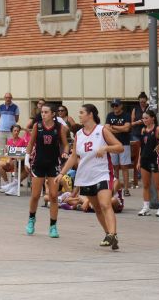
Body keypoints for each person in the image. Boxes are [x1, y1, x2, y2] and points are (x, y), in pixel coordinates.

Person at [58, 104, 124, 250]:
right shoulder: (79, 134)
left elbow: (120, 147)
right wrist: (62, 173)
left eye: (82, 113)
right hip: (86, 176)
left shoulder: (102, 130)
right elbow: (74, 156)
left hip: (102, 173)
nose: (79, 115)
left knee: (105, 204)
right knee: (97, 208)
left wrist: (106, 148)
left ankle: (113, 234)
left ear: (90, 115)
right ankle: (109, 235)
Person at [25, 104, 69, 238]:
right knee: (35, 195)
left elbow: (65, 144)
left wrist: (66, 153)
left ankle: (53, 226)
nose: (43, 114)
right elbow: (31, 143)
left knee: (54, 196)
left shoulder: (59, 127)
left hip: (53, 164)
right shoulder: (37, 126)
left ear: (53, 114)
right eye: (42, 112)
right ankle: (31, 219)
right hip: (38, 163)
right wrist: (27, 158)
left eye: (46, 112)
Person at [136, 109, 159, 217]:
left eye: (147, 118)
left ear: (153, 118)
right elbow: (141, 147)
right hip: (144, 159)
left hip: (155, 159)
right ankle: (146, 207)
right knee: (146, 185)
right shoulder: (143, 130)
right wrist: (138, 161)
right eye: (143, 118)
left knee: (158, 185)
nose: (144, 120)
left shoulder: (158, 129)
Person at [105, 99, 132, 197]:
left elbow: (127, 128)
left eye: (116, 105)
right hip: (112, 144)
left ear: (121, 106)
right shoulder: (109, 115)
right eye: (113, 105)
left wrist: (114, 128)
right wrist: (120, 128)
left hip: (124, 143)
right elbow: (107, 129)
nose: (114, 107)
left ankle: (126, 188)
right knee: (114, 166)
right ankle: (116, 187)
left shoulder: (126, 115)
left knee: (124, 166)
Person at [0, 124, 29, 196]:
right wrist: (7, 159)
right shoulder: (9, 141)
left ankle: (11, 185)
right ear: (12, 132)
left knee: (15, 162)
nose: (16, 132)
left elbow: (24, 152)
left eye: (18, 131)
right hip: (11, 161)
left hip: (19, 161)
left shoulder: (22, 141)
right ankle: (7, 183)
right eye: (15, 131)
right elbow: (8, 153)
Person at [130, 92, 148, 190]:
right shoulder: (135, 109)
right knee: (138, 154)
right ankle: (139, 174)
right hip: (136, 133)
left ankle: (144, 171)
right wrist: (138, 122)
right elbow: (131, 123)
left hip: (146, 133)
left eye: (144, 102)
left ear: (146, 101)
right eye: (140, 101)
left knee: (145, 152)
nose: (142, 103)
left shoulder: (149, 108)